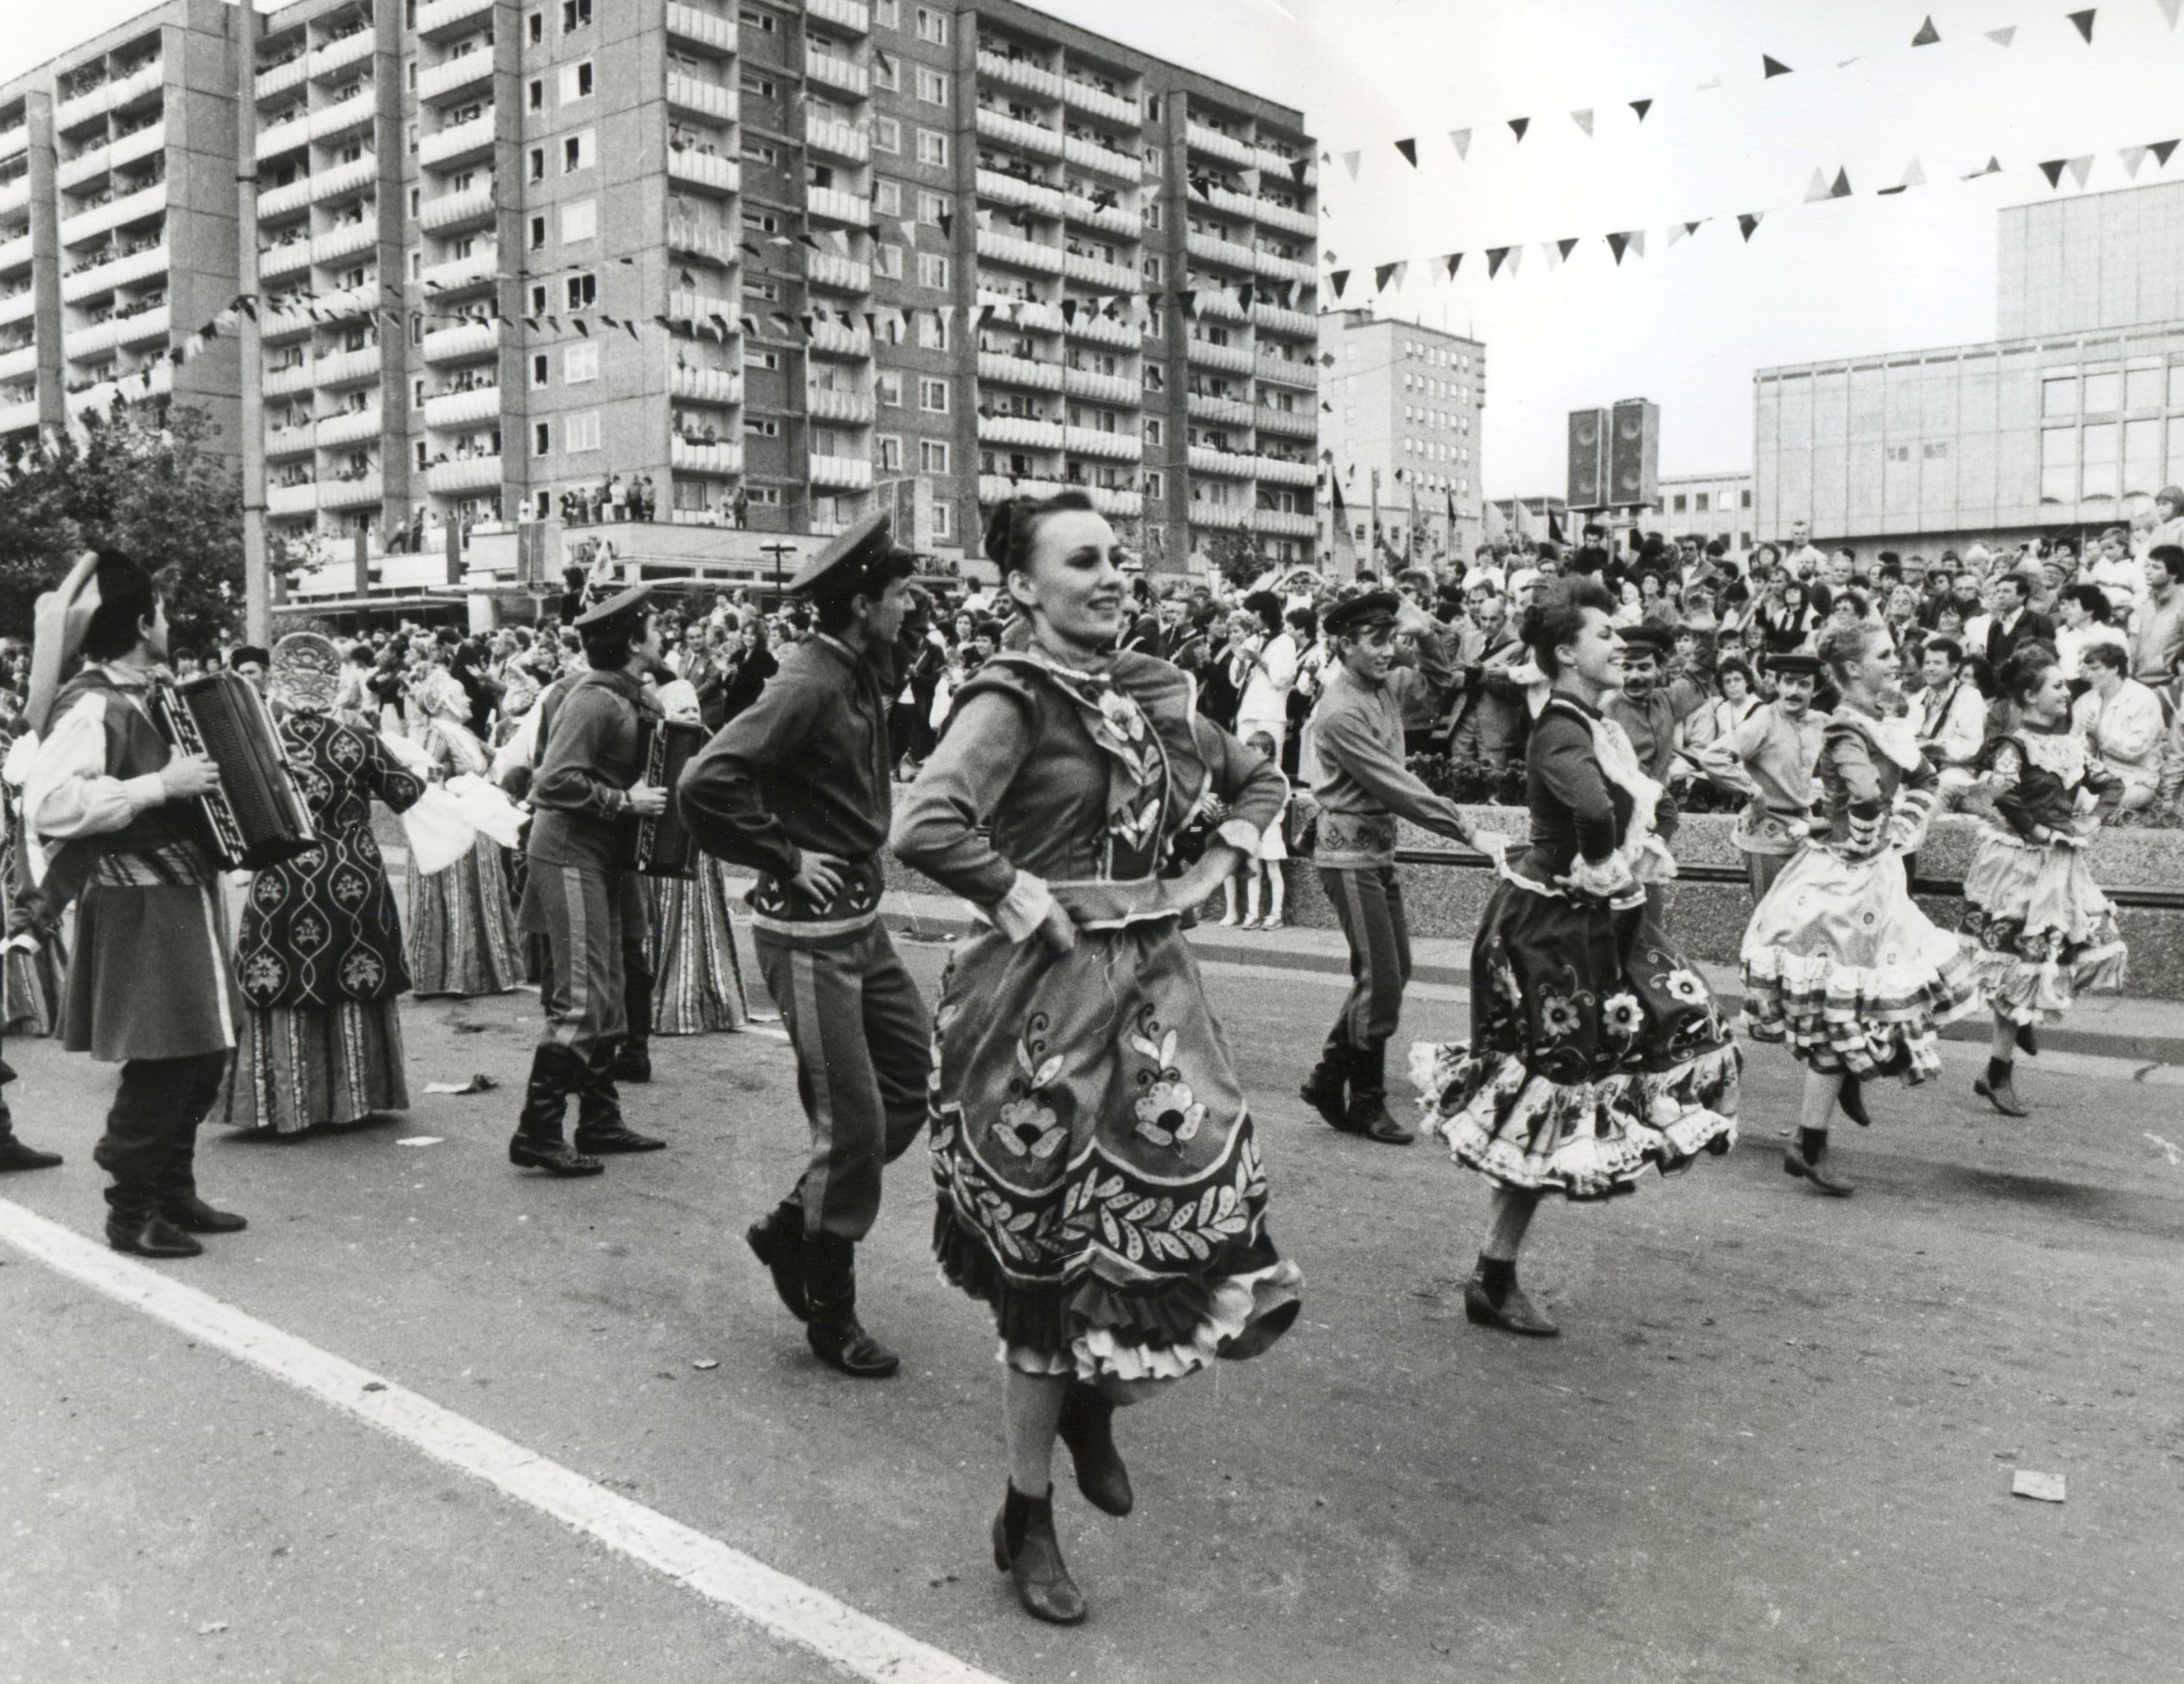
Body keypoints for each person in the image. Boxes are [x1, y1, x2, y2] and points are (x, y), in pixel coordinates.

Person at [890, 491, 1301, 1626]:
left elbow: (1259, 780)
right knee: (1042, 1278)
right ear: (1023, 586)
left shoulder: (1153, 694)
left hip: (1158, 992)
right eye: (1085, 560)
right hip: (1036, 1009)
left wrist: (1214, 858)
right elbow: (925, 825)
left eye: (1121, 555)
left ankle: (1091, 1405)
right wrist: (1015, 891)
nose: (1117, 574)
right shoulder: (1010, 699)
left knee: (1213, 1231)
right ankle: (1027, 1514)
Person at [1412, 577, 1738, 1335]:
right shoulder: (1561, 727)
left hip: (1576, 927)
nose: (1619, 647)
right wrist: (1602, 866)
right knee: (1552, 1090)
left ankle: (1494, 1271)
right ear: (1565, 653)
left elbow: (1628, 802)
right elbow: (1591, 810)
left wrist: (1638, 837)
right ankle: (1493, 1276)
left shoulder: (1594, 724)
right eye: (1604, 637)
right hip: (1548, 933)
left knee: (1593, 1072)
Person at [678, 514, 930, 1380]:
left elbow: (890, 671)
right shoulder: (809, 681)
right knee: (854, 1123)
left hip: (858, 923)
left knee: (911, 1081)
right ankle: (830, 1305)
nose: (912, 606)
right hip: (809, 932)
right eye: (899, 596)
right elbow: (705, 780)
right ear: (862, 605)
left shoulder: (857, 666)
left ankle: (794, 1223)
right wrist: (785, 855)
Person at [23, 549, 243, 1257]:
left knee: (204, 1053)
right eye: (165, 611)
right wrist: (159, 788)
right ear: (143, 622)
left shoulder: (149, 692)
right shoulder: (91, 702)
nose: (171, 622)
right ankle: (131, 1212)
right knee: (164, 1059)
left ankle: (173, 1192)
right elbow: (50, 806)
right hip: (140, 901)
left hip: (182, 895)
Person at [1740, 623, 1979, 1197]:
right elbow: (1869, 792)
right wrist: (1877, 833)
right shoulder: (1848, 724)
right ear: (1851, 669)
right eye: (1886, 655)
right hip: (1850, 881)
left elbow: (1918, 775)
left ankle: (1836, 1093)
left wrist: (1895, 823)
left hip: (1871, 876)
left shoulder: (1878, 721)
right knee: (1849, 999)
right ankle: (1809, 1138)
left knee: (1865, 996)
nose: (1899, 662)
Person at [1298, 590, 1485, 1146]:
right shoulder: (1338, 710)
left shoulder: (1383, 686)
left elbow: (1443, 680)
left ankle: (1329, 1076)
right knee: (1380, 978)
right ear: (1344, 645)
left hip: (1375, 852)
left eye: (1389, 638)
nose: (1387, 651)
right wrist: (1468, 829)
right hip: (1347, 855)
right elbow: (1395, 785)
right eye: (1375, 641)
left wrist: (1424, 630)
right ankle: (1364, 1099)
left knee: (1393, 971)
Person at [224, 634, 427, 1135]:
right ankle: (352, 1099)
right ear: (333, 683)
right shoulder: (355, 737)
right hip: (351, 874)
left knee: (284, 980)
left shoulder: (261, 737)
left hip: (281, 872)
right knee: (352, 977)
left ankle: (283, 1105)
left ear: (279, 681)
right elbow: (404, 791)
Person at [511, 585, 670, 1177]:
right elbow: (552, 783)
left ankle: (599, 1121)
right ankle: (536, 1131)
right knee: (581, 998)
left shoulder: (630, 696)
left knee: (604, 993)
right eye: (654, 626)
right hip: (569, 852)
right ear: (632, 641)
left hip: (599, 855)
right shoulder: (596, 700)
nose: (663, 632)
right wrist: (622, 801)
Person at [1959, 646, 2129, 1116]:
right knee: (2019, 964)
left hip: (2061, 863)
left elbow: (2111, 785)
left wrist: (2090, 824)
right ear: (2031, 695)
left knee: (2092, 947)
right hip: (2018, 864)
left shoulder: (2072, 744)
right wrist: (2039, 831)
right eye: (2056, 685)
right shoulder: (2013, 744)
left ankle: (2018, 1024)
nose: (2066, 691)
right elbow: (2002, 793)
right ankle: (1998, 1070)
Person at [405, 660, 522, 1000]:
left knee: (480, 892)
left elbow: (498, 761)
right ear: (443, 702)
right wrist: (458, 793)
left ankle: (483, 973)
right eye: (461, 694)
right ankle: (452, 975)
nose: (470, 700)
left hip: (477, 823)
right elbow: (425, 783)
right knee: (457, 894)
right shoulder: (435, 733)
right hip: (452, 827)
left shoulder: (464, 734)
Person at [1698, 652, 1827, 899]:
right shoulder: (1764, 720)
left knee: (1798, 918)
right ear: (1777, 684)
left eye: (1803, 684)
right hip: (1766, 836)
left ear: (1816, 690)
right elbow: (1712, 757)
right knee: (1768, 920)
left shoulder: (1820, 722)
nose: (1794, 691)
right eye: (1788, 682)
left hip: (1803, 832)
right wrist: (1753, 792)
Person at [2073, 643, 2162, 813]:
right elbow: (2075, 745)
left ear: (2114, 669)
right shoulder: (2085, 701)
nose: (2089, 675)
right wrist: (2086, 744)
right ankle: (2090, 802)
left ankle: (2090, 803)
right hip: (2093, 778)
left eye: (2095, 669)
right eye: (2088, 669)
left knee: (2136, 794)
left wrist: (2100, 734)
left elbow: (2137, 748)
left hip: (2134, 778)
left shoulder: (2143, 699)